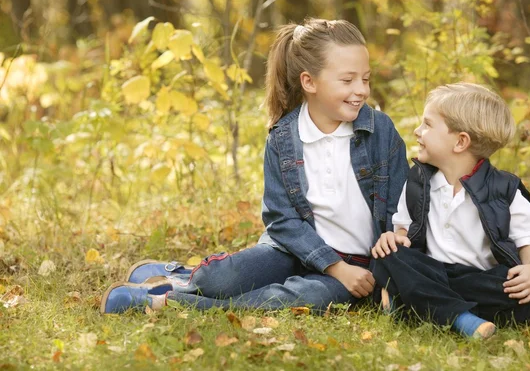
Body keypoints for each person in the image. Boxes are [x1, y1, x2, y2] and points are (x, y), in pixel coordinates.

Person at [101, 18, 409, 314]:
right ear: (309, 82)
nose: (362, 90)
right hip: (292, 250)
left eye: (365, 79)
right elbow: (281, 220)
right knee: (220, 279)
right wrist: (331, 264)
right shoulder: (284, 139)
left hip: (356, 268)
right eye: (347, 80)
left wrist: (385, 267)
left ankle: (168, 302)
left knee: (308, 297)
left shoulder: (379, 132)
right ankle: (179, 277)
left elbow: (402, 211)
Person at [370, 83, 530, 339]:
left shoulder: (505, 189)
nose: (418, 131)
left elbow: (529, 241)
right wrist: (394, 238)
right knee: (387, 256)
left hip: (477, 279)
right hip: (432, 272)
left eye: (427, 125)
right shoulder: (418, 181)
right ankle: (462, 319)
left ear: (461, 142)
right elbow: (405, 232)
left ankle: (416, 305)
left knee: (515, 294)